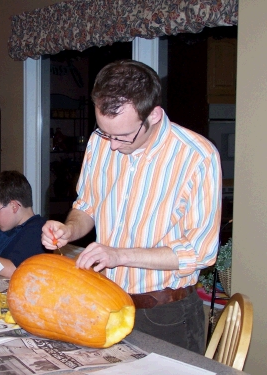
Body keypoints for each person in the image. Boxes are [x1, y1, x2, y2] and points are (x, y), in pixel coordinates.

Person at [42, 60, 222, 354]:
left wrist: (118, 255)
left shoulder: (197, 157)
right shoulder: (102, 141)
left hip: (165, 314)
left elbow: (199, 251)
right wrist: (69, 228)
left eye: (122, 137)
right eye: (105, 132)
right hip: (105, 302)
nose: (111, 145)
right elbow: (87, 204)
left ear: (154, 115)